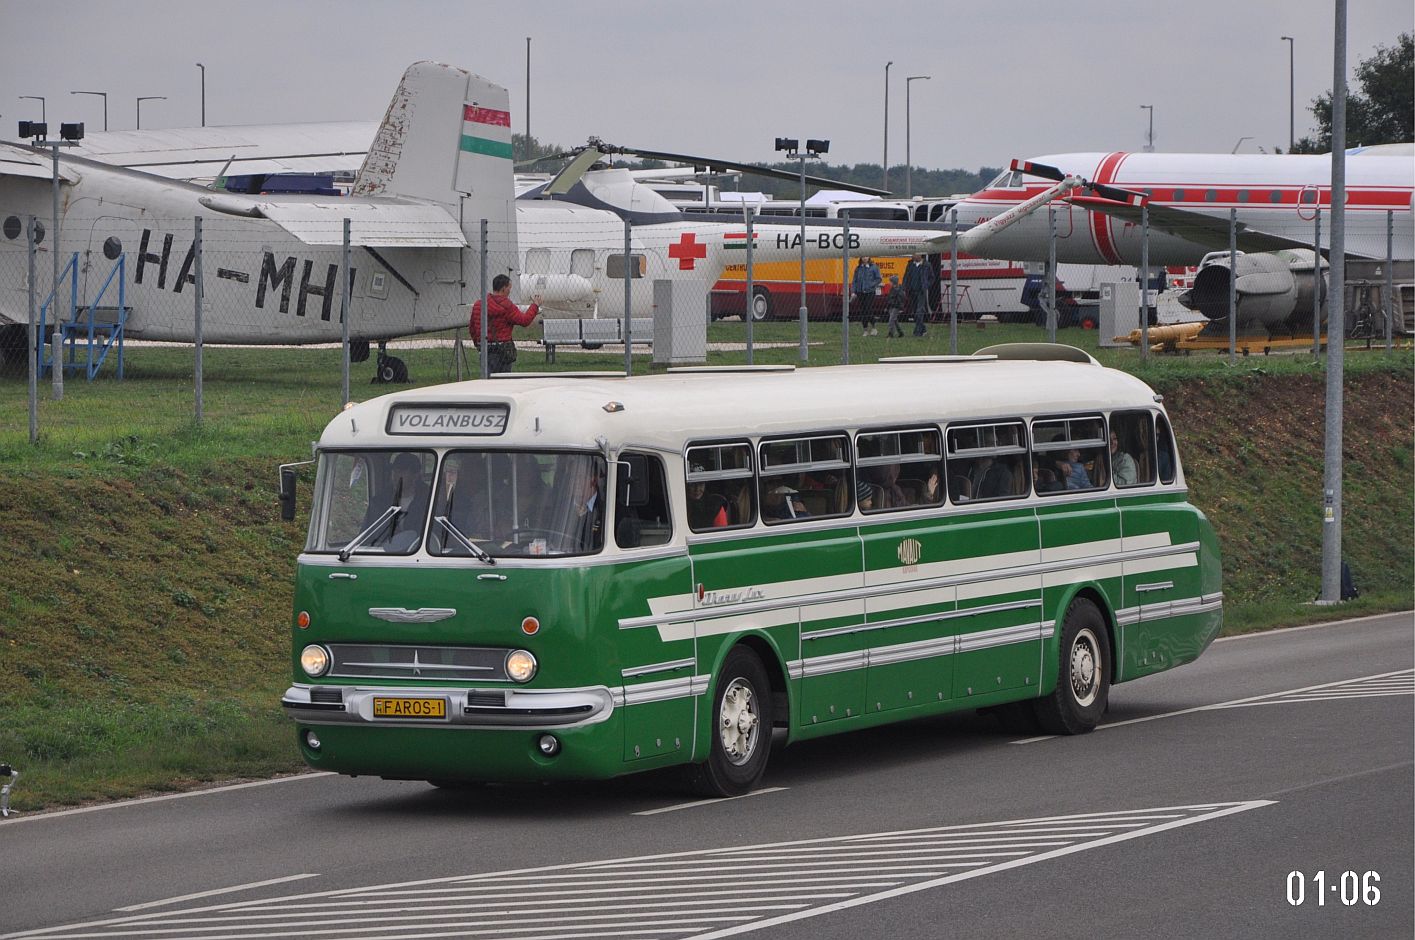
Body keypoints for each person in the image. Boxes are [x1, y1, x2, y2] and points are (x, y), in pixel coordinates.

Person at [469, 274, 542, 374]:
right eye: (509, 288)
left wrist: (478, 345)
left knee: (487, 382)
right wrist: (535, 306)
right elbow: (524, 321)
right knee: (503, 382)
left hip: (485, 349)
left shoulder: (478, 305)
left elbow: (472, 328)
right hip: (502, 350)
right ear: (503, 288)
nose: (509, 291)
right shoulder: (507, 306)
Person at [376, 453, 431, 549]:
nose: (396, 476)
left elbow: (430, 534)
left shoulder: (428, 501)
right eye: (394, 471)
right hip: (383, 553)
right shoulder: (380, 500)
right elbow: (369, 534)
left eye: (401, 471)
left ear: (415, 476)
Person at [902, 253, 936, 337]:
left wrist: (926, 285)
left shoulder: (926, 265)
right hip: (911, 291)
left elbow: (932, 278)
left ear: (920, 255)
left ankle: (917, 332)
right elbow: (906, 277)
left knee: (919, 311)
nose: (912, 256)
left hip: (921, 292)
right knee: (914, 312)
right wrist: (904, 287)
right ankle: (923, 329)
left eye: (914, 254)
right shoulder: (910, 264)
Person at [687, 464, 729, 529]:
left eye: (701, 484)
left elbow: (722, 533)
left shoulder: (715, 505)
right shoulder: (681, 504)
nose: (697, 489)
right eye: (692, 484)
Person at [851, 257, 882, 336]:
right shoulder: (858, 268)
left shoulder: (874, 267)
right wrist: (853, 291)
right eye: (863, 257)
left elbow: (878, 279)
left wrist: (871, 285)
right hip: (860, 292)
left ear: (869, 258)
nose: (865, 258)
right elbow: (854, 280)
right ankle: (865, 330)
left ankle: (874, 327)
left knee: (868, 309)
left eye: (866, 256)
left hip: (870, 292)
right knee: (863, 310)